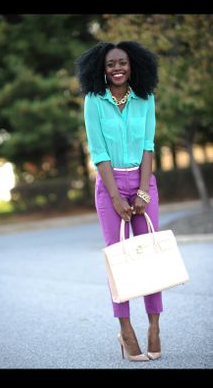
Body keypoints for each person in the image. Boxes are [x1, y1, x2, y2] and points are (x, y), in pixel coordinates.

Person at [75, 41, 162, 362]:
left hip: (142, 181)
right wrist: (115, 197)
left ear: (133, 64)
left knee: (150, 257)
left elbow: (149, 146)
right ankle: (125, 330)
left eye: (122, 62)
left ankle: (154, 326)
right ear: (102, 68)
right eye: (110, 64)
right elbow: (98, 152)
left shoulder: (145, 98)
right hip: (110, 183)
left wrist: (142, 191)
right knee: (118, 261)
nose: (117, 69)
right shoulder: (94, 101)